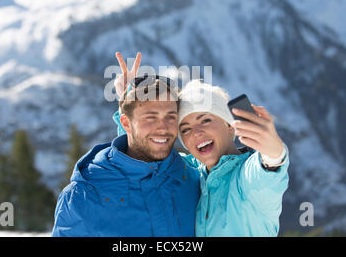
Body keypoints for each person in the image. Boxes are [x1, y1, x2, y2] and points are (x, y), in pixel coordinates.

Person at [113, 52, 289, 237]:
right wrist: (131, 106)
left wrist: (273, 153)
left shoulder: (244, 178)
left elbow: (265, 177)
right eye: (186, 129)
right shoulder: (191, 173)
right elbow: (144, 159)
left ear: (229, 126)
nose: (196, 133)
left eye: (205, 120)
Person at [51, 67, 200, 236]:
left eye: (170, 117)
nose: (163, 128)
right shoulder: (83, 197)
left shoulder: (193, 178)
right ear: (126, 124)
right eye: (150, 117)